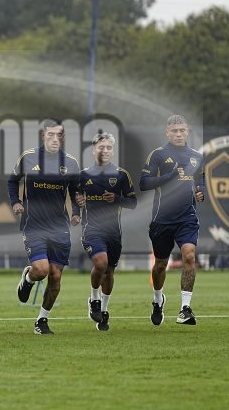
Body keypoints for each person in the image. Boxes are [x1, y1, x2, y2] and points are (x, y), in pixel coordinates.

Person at [7, 119, 81, 335]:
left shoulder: (71, 163)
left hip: (60, 226)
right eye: (50, 134)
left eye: (59, 135)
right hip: (34, 224)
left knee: (55, 276)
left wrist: (76, 213)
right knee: (41, 270)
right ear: (43, 136)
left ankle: (42, 319)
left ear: (63, 137)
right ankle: (28, 278)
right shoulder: (28, 157)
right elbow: (12, 181)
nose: (54, 139)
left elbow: (75, 192)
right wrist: (16, 202)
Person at [140, 114, 205, 326]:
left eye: (182, 130)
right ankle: (158, 300)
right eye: (174, 131)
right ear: (167, 132)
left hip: (187, 217)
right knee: (160, 265)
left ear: (187, 132)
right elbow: (144, 183)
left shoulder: (196, 156)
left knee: (189, 255)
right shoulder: (158, 155)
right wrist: (169, 176)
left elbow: (200, 179)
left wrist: (200, 191)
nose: (178, 134)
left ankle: (185, 309)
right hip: (162, 219)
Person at [79, 132, 137, 331]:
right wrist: (76, 209)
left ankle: (103, 311)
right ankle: (94, 299)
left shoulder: (121, 175)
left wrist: (117, 199)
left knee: (109, 271)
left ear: (113, 151)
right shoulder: (83, 175)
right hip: (91, 229)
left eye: (109, 147)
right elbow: (74, 198)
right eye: (101, 147)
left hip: (113, 232)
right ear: (93, 150)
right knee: (101, 263)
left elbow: (133, 202)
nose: (105, 151)